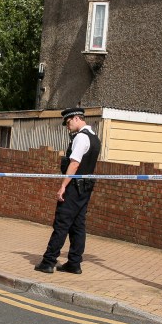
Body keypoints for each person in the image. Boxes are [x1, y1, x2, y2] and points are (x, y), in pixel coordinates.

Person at [35, 107, 102, 275]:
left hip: (74, 187)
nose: (67, 126)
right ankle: (74, 263)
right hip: (85, 188)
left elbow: (75, 163)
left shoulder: (81, 137)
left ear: (77, 118)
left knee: (62, 223)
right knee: (78, 226)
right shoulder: (95, 138)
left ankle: (49, 261)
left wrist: (63, 185)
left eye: (68, 122)